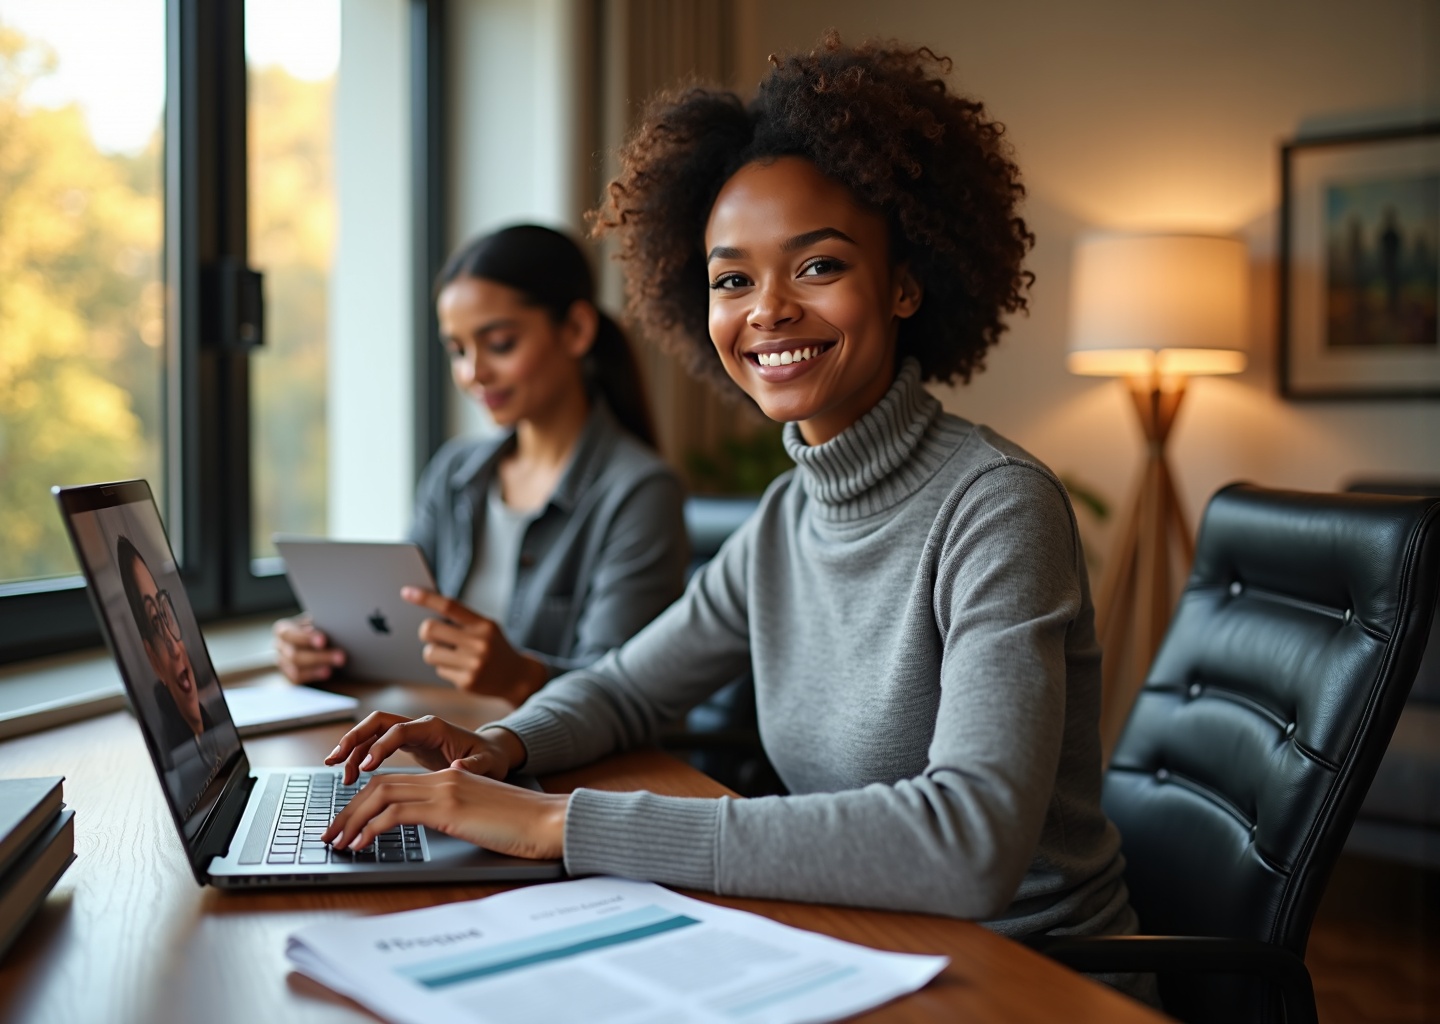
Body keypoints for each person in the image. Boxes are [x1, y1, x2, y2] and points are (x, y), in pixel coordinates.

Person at [319, 36, 1150, 995]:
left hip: (1027, 974)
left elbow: (969, 845)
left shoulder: (997, 508)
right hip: (859, 944)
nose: (768, 311)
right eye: (732, 279)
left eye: (819, 266)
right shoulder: (787, 518)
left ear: (906, 283)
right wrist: (501, 746)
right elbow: (629, 688)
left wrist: (555, 821)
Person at [273, 225, 689, 707]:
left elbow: (626, 692)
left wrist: (519, 677)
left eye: (500, 344)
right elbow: (399, 622)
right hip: (447, 737)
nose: (473, 373)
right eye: (458, 350)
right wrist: (321, 649)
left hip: (554, 765)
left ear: (575, 330)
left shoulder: (641, 491)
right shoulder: (454, 472)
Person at [117, 535, 215, 753]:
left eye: (165, 613)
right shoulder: (178, 756)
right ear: (153, 660)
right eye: (154, 622)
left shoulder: (213, 732)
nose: (174, 646)